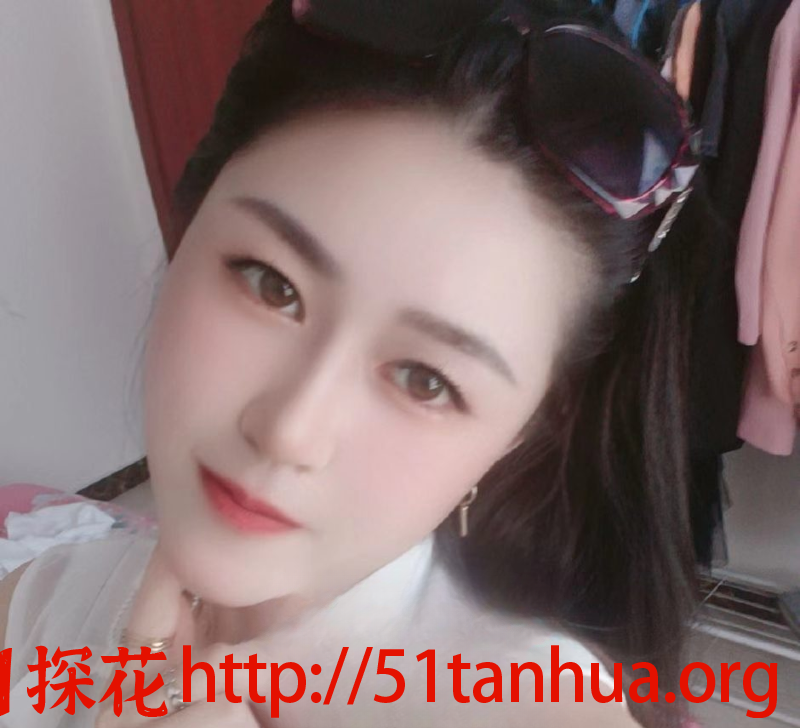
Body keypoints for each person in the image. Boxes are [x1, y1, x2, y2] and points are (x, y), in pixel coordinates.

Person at [0, 1, 717, 726]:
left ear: (518, 433)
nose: (290, 431)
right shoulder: (45, 595)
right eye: (271, 285)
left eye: (426, 381)